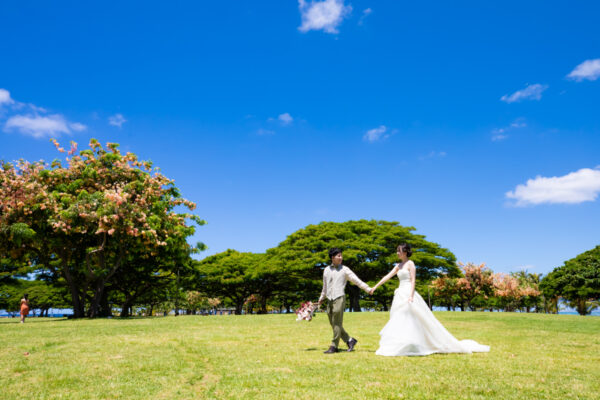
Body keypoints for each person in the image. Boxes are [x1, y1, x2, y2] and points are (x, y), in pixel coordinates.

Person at [370, 244, 490, 356]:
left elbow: (413, 281)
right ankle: (402, 344)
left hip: (408, 293)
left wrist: (411, 296)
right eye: (397, 251)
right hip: (400, 294)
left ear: (405, 252)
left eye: (399, 251)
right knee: (400, 318)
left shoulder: (410, 264)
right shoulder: (398, 266)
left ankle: (416, 343)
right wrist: (375, 287)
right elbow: (387, 276)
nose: (397, 253)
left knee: (413, 319)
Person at [317, 248, 372, 354]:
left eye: (341, 256)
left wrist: (367, 289)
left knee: (337, 322)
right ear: (332, 257)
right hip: (329, 299)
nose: (341, 258)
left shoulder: (345, 269)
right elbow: (325, 286)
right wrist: (321, 298)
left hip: (339, 298)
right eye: (338, 256)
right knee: (333, 323)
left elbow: (356, 280)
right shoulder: (326, 270)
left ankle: (334, 346)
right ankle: (350, 340)